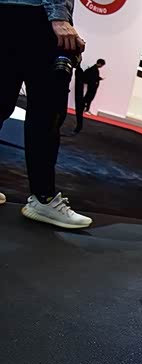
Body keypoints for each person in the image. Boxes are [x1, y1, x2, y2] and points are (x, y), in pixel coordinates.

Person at [0, 0, 93, 228]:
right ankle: (43, 198)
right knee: (46, 114)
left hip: (7, 13)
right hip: (37, 17)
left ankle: (43, 198)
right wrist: (59, 15)